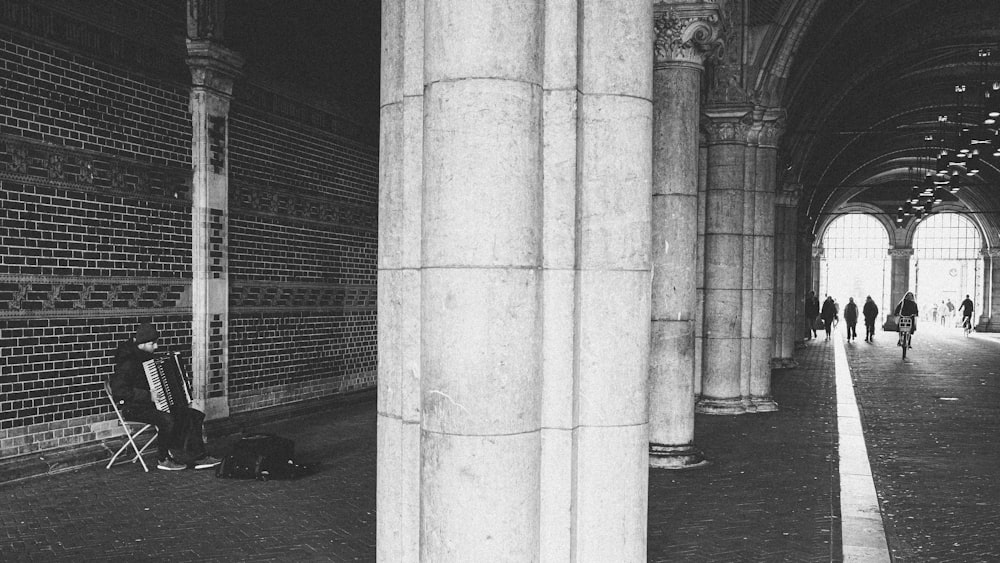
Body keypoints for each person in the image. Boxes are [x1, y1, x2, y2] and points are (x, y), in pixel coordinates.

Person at [111, 323, 220, 471]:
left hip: (150, 405)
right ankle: (163, 459)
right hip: (133, 408)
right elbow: (119, 391)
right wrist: (148, 395)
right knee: (166, 420)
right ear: (141, 344)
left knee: (193, 414)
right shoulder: (127, 363)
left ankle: (198, 456)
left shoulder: (146, 358)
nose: (155, 347)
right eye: (152, 343)